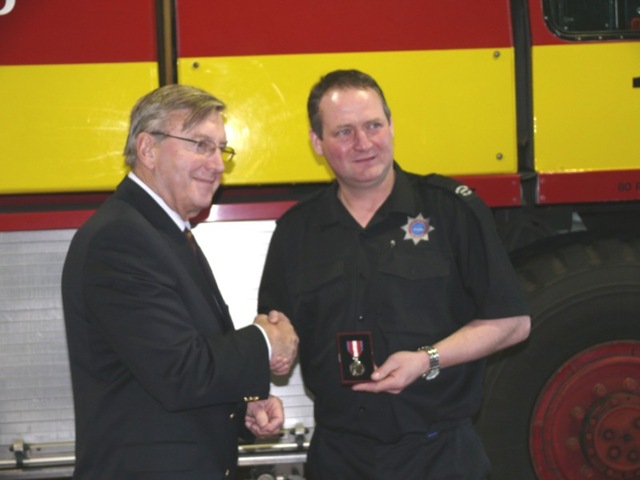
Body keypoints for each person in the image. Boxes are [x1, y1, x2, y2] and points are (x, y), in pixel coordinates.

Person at [258, 69, 531, 480]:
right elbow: (275, 330)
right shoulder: (296, 231)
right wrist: (268, 371)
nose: (363, 143)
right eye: (344, 132)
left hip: (440, 457)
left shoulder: (452, 210)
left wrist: (426, 360)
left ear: (391, 126)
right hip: (339, 459)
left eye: (373, 125)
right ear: (317, 142)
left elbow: (512, 323)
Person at [62, 84, 298, 480]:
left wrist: (241, 406)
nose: (218, 164)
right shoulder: (120, 239)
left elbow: (169, 363)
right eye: (201, 145)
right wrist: (265, 340)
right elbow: (180, 371)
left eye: (221, 149)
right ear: (148, 149)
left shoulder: (165, 232)